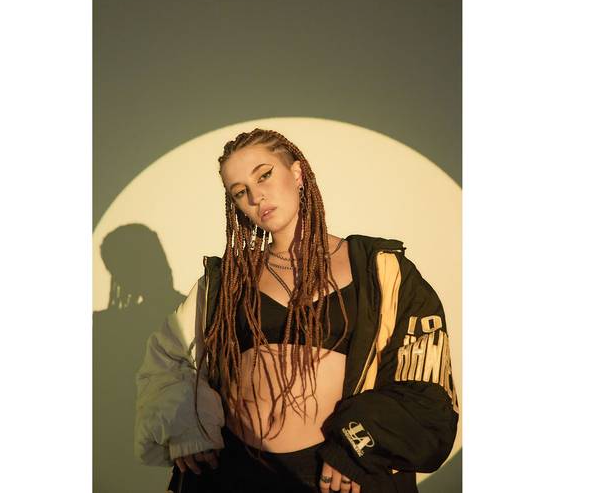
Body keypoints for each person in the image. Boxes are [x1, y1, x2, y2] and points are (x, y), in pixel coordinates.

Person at [134, 129, 459, 493]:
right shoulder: (226, 280)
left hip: (335, 476)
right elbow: (168, 360)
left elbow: (425, 383)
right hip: (234, 475)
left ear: (298, 173)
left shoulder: (381, 271)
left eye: (264, 175)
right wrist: (186, 427)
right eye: (239, 192)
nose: (255, 196)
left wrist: (355, 449)